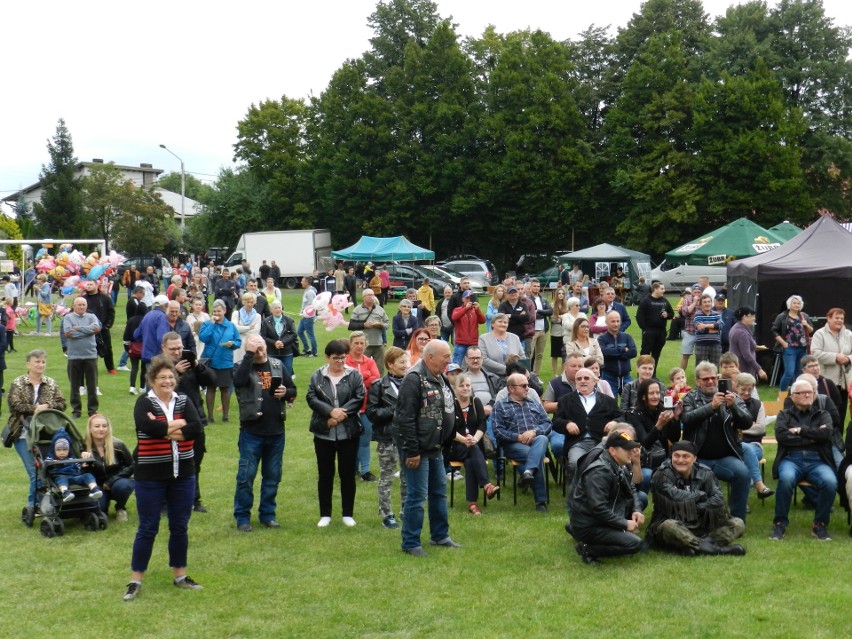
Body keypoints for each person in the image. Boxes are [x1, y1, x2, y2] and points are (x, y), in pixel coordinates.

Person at [123, 356, 204, 601]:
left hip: (183, 475)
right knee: (148, 528)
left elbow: (196, 428)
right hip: (150, 476)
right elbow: (148, 429)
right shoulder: (143, 402)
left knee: (180, 526)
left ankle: (180, 575)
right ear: (152, 380)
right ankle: (135, 581)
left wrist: (167, 428)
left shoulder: (184, 400)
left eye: (171, 377)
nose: (168, 381)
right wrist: (177, 425)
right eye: (162, 377)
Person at [394, 340, 460, 556]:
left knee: (439, 492)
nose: (449, 360)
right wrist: (412, 451)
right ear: (430, 357)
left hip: (436, 447)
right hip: (418, 450)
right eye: (445, 356)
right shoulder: (413, 379)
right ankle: (411, 542)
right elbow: (404, 419)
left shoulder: (439, 376)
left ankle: (440, 536)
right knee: (417, 496)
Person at [232, 335, 296, 532]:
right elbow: (239, 382)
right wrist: (249, 355)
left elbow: (293, 390)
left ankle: (268, 514)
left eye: (262, 348)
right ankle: (242, 517)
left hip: (276, 430)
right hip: (252, 431)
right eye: (255, 350)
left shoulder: (277, 364)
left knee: (273, 476)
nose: (260, 353)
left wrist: (286, 392)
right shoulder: (242, 366)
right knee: (246, 476)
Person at [680, 362, 753, 521]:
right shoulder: (690, 398)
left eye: (713, 378)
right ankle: (694, 518)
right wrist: (711, 407)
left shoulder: (733, 397)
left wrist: (733, 406)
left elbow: (747, 422)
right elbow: (686, 419)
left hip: (724, 458)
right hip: (697, 457)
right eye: (705, 379)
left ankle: (737, 520)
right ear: (697, 381)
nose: (710, 382)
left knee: (743, 473)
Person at [647, 441, 746, 556]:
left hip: (702, 525)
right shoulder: (661, 474)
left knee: (738, 523)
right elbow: (675, 497)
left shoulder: (706, 473)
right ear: (671, 457)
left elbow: (718, 499)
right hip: (675, 523)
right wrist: (701, 495)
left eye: (685, 456)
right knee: (669, 526)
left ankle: (690, 546)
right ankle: (717, 550)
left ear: (694, 458)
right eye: (676, 456)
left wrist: (697, 507)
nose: (680, 460)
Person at [306, 340, 366, 528]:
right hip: (324, 433)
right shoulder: (317, 376)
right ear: (327, 357)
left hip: (349, 432)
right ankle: (326, 514)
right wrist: (329, 413)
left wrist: (339, 415)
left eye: (342, 358)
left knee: (347, 473)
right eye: (336, 358)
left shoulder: (354, 375)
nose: (340, 362)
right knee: (325, 474)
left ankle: (347, 513)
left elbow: (359, 397)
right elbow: (311, 397)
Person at [770, 379, 837, 542]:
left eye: (811, 392)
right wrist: (813, 437)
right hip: (791, 459)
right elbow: (782, 437)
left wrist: (800, 431)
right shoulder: (784, 415)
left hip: (817, 460)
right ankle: (780, 524)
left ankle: (820, 524)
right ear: (793, 397)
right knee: (786, 480)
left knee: (830, 482)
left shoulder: (823, 414)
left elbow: (826, 435)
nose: (808, 395)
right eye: (803, 392)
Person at [569, 431, 645, 564]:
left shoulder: (620, 464)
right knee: (635, 544)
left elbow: (631, 488)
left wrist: (636, 509)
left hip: (600, 519)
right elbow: (598, 509)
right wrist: (625, 523)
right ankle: (588, 549)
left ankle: (576, 531)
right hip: (591, 524)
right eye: (627, 449)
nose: (631, 452)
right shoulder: (600, 471)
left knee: (634, 541)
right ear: (612, 451)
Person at [7, 349, 67, 513]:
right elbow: (14, 405)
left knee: (45, 469)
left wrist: (47, 406)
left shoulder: (51, 383)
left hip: (46, 434)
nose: (41, 365)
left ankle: (43, 504)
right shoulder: (18, 383)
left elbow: (62, 404)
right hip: (22, 434)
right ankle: (34, 506)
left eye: (43, 362)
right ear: (28, 363)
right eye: (37, 361)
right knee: (35, 471)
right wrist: (35, 409)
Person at [493, 372, 552, 512]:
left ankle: (528, 471)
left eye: (528, 385)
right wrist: (518, 437)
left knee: (542, 438)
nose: (528, 388)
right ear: (511, 388)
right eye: (524, 385)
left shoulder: (534, 403)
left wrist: (534, 432)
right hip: (514, 445)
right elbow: (498, 431)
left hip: (536, 441)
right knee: (535, 456)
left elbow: (547, 423)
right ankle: (541, 502)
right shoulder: (500, 406)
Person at [553, 367, 622, 486]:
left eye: (586, 378)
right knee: (575, 463)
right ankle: (577, 497)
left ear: (595, 381)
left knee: (604, 464)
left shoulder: (608, 400)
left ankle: (600, 493)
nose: (582, 381)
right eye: (579, 379)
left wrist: (615, 422)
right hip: (577, 443)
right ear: (575, 382)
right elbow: (556, 421)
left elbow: (622, 417)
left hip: (601, 442)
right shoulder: (565, 400)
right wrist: (567, 424)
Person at [366, 347, 409, 529]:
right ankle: (387, 514)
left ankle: (407, 511)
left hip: (408, 438)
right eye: (401, 362)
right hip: (387, 438)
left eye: (406, 362)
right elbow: (372, 412)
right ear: (390, 364)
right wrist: (395, 409)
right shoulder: (378, 386)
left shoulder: (411, 382)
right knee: (387, 477)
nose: (406, 366)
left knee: (408, 478)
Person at [447, 373, 499, 515]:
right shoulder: (450, 404)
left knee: (470, 461)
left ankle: (473, 504)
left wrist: (475, 438)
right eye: (461, 386)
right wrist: (464, 440)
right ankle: (487, 485)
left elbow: (482, 424)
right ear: (454, 388)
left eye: (468, 385)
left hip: (474, 445)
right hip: (455, 446)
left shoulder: (476, 402)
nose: (465, 388)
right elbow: (447, 429)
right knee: (473, 449)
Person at [83, 414, 134, 520]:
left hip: (116, 481)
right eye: (97, 426)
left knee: (123, 487)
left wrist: (110, 481)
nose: (101, 429)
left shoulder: (118, 445)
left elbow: (133, 465)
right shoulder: (82, 446)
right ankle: (103, 506)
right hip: (96, 486)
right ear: (90, 428)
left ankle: (120, 508)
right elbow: (79, 472)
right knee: (99, 510)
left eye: (104, 426)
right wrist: (83, 465)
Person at [346, 331, 381, 482]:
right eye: (356, 343)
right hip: (349, 408)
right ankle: (351, 468)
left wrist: (361, 379)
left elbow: (376, 379)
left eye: (362, 343)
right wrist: (365, 377)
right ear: (350, 344)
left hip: (367, 407)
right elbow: (347, 383)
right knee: (350, 441)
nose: (359, 346)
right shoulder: (345, 361)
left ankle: (365, 470)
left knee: (365, 439)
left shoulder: (370, 361)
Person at [198, 299, 241, 423]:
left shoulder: (231, 326)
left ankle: (225, 416)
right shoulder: (207, 324)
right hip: (211, 362)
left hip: (226, 361)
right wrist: (211, 324)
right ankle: (210, 416)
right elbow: (203, 338)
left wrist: (232, 344)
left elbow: (238, 341)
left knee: (225, 389)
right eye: (214, 311)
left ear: (224, 311)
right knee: (211, 388)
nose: (217, 313)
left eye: (219, 311)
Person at [734, 373, 774, 499]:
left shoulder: (757, 404)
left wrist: (739, 428)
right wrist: (750, 425)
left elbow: (761, 428)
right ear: (736, 387)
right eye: (743, 389)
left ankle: (742, 499)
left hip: (755, 445)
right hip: (733, 445)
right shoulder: (729, 403)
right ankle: (759, 486)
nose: (746, 393)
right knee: (746, 450)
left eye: (750, 390)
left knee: (748, 450)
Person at [810, 307, 852, 423]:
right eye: (836, 318)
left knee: (841, 413)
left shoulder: (849, 334)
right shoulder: (819, 334)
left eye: (841, 318)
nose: (839, 320)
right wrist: (835, 357)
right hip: (826, 381)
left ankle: (838, 440)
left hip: (844, 381)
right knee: (826, 413)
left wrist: (847, 358)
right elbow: (815, 353)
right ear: (828, 318)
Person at [63, 296, 102, 419]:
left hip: (90, 355)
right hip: (74, 356)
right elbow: (68, 333)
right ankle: (76, 410)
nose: (81, 307)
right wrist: (87, 332)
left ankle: (92, 410)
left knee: (92, 385)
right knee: (74, 385)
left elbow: (96, 329)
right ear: (74, 306)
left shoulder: (91, 317)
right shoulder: (68, 317)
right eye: (79, 305)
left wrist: (78, 329)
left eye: (83, 305)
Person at [46, 429, 103, 502]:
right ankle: (65, 492)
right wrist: (53, 464)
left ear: (69, 450)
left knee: (87, 475)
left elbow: (78, 467)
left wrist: (82, 466)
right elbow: (45, 466)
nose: (62, 452)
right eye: (59, 450)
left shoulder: (72, 458)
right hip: (61, 477)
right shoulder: (50, 458)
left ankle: (94, 489)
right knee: (61, 479)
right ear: (54, 450)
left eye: (64, 450)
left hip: (75, 476)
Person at [772, 295, 813, 391]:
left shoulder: (804, 316)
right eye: (794, 303)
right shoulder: (782, 316)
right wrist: (783, 343)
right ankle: (782, 393)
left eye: (798, 303)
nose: (796, 305)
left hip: (803, 348)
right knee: (789, 372)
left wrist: (806, 324)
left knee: (799, 372)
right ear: (789, 304)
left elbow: (811, 330)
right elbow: (774, 331)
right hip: (789, 348)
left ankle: (797, 392)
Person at [348, 288, 390, 373]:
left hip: (378, 344)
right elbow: (351, 326)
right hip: (363, 345)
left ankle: (378, 384)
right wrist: (363, 325)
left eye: (373, 295)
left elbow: (387, 324)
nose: (371, 297)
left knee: (379, 369)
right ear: (364, 297)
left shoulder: (380, 309)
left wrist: (381, 325)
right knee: (362, 368)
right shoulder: (357, 309)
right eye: (369, 295)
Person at [636, 282, 673, 373]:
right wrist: (644, 329)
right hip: (649, 331)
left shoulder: (664, 301)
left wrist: (667, 315)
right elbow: (639, 316)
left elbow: (672, 314)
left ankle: (653, 373)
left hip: (661, 331)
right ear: (655, 289)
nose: (663, 290)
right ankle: (641, 372)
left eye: (663, 289)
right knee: (645, 353)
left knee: (656, 353)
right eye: (662, 288)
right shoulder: (646, 300)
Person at [598, 311, 637, 396]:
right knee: (610, 404)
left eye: (618, 321)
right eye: (613, 321)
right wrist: (622, 350)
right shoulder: (602, 339)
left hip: (626, 377)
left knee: (632, 402)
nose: (616, 324)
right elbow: (604, 353)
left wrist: (613, 353)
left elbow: (633, 352)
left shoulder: (627, 337)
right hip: (609, 377)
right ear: (606, 322)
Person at [728, 306, 768, 382]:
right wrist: (759, 369)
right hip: (743, 370)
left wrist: (757, 347)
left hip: (738, 368)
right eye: (752, 316)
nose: (754, 318)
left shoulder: (736, 328)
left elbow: (742, 346)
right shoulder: (742, 333)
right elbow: (746, 354)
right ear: (744, 317)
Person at [260, 300, 298, 378]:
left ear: (282, 308)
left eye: (279, 307)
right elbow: (263, 336)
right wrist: (274, 343)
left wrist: (283, 342)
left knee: (287, 374)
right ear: (271, 310)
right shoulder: (266, 321)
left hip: (287, 352)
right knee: (275, 375)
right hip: (272, 352)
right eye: (275, 308)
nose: (277, 310)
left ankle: (287, 389)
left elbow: (293, 334)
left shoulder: (289, 320)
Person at [450, 290, 485, 365]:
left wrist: (477, 310)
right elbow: (454, 317)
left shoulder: (475, 311)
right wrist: (466, 309)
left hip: (473, 343)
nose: (469, 300)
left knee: (473, 364)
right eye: (467, 298)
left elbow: (482, 321)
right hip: (460, 342)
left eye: (471, 298)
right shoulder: (457, 309)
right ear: (463, 299)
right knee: (456, 364)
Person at [527, 279, 553, 375]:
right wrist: (540, 313)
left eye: (538, 286)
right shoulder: (528, 300)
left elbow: (550, 311)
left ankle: (536, 374)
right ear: (530, 287)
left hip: (543, 330)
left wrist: (539, 311)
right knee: (530, 354)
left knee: (539, 355)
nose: (536, 288)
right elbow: (531, 315)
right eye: (534, 286)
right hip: (532, 330)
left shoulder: (543, 299)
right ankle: (528, 374)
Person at [123, 301, 148, 395]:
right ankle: (142, 387)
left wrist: (126, 347)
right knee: (144, 368)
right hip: (145, 346)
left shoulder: (131, 320)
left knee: (134, 367)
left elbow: (126, 335)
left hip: (133, 347)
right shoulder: (146, 320)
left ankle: (132, 387)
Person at [692, 294, 723, 368]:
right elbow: (700, 329)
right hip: (701, 345)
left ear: (711, 303)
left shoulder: (717, 314)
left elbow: (721, 326)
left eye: (709, 302)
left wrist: (705, 325)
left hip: (715, 345)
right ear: (701, 304)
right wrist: (714, 328)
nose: (707, 304)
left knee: (715, 368)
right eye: (705, 302)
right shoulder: (697, 315)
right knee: (701, 368)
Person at [231, 291, 262, 364]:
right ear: (243, 302)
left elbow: (256, 331)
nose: (250, 304)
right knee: (237, 366)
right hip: (238, 344)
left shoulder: (258, 316)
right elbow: (235, 329)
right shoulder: (236, 314)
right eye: (248, 302)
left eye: (252, 302)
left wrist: (241, 329)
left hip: (251, 344)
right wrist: (249, 327)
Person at [550, 288, 569, 377]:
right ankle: (555, 373)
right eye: (559, 293)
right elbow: (553, 319)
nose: (561, 295)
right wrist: (561, 318)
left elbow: (567, 317)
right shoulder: (552, 305)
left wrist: (560, 317)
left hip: (564, 333)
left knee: (564, 355)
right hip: (555, 333)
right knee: (554, 354)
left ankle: (562, 373)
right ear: (556, 295)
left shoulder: (567, 305)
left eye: (562, 293)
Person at [298, 276, 319, 358]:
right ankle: (306, 349)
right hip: (304, 317)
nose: (301, 282)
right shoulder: (307, 290)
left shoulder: (310, 292)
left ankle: (314, 352)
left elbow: (311, 305)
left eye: (302, 281)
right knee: (299, 332)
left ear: (307, 282)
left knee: (310, 335)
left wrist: (306, 313)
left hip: (308, 317)